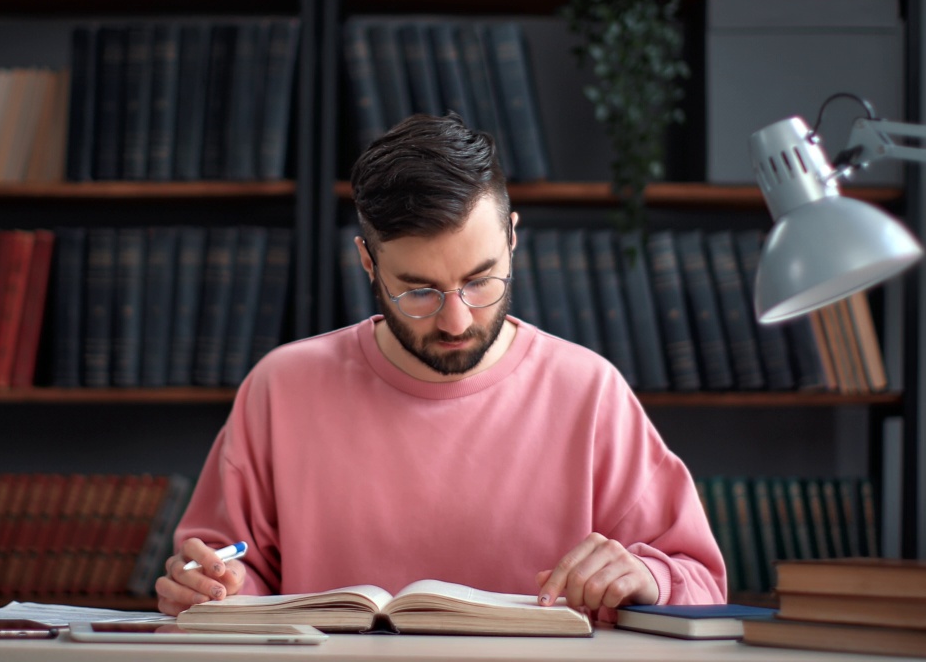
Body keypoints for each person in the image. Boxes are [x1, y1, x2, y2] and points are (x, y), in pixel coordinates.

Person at [156, 113, 725, 622]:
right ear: (367, 262)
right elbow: (228, 578)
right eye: (420, 291)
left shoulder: (590, 392)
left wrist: (649, 578)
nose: (457, 322)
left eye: (480, 280)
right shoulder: (280, 389)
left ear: (512, 239)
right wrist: (210, 590)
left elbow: (703, 584)